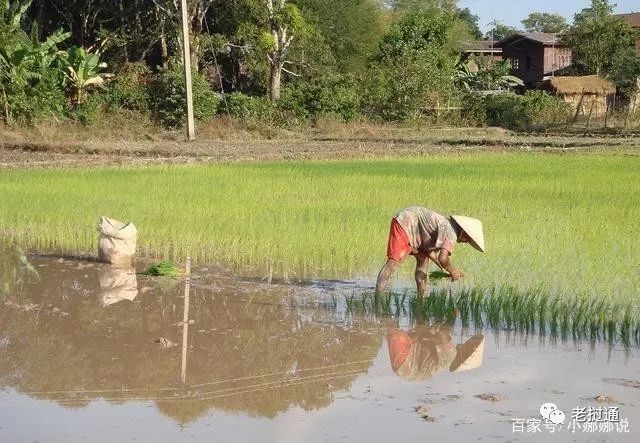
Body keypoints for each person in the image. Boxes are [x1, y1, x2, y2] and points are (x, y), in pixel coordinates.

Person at [375, 206, 485, 298]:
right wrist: (452, 270)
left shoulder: (448, 226)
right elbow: (443, 258)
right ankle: (378, 298)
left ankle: (421, 298)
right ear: (464, 233)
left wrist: (444, 269)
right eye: (468, 239)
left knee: (423, 260)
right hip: (405, 222)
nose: (466, 242)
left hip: (416, 229)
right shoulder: (451, 232)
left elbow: (432, 253)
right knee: (393, 262)